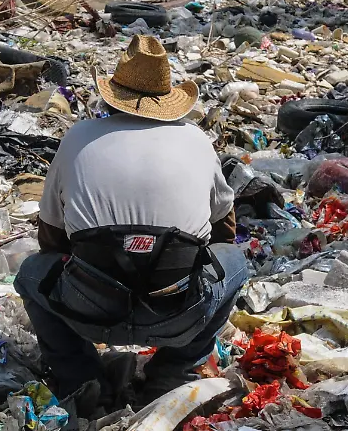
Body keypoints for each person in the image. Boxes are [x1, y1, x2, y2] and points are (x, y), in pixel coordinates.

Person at [14, 34, 249, 405]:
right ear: (168, 99)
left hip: (89, 307)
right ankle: (171, 375)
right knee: (236, 263)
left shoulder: (79, 137)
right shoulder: (197, 140)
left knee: (30, 274)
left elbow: (51, 239)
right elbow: (225, 232)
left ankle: (82, 380)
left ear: (113, 93)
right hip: (177, 310)